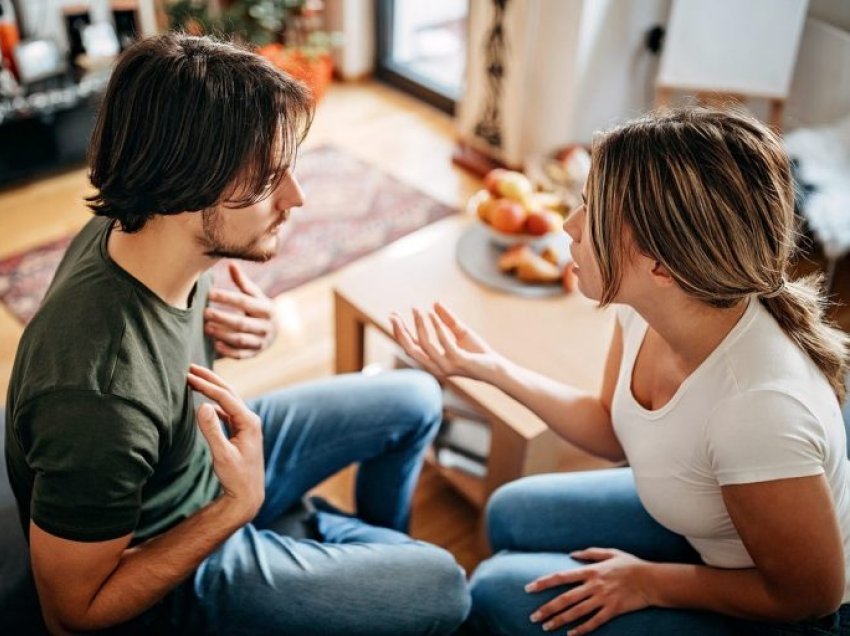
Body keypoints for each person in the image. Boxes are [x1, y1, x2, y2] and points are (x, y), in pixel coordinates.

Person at [4, 33, 470, 635]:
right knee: (446, 586)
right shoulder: (99, 399)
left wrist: (253, 329)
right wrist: (237, 508)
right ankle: (316, 542)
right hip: (169, 554)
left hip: (201, 463)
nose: (296, 197)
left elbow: (161, 346)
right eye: (269, 178)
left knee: (415, 398)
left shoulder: (133, 228)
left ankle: (341, 553)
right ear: (188, 184)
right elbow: (70, 615)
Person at [391, 108, 850, 635]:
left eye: (591, 209)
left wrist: (650, 582)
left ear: (661, 265)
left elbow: (807, 597)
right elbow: (610, 430)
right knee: (507, 512)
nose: (569, 223)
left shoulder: (759, 411)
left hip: (785, 610)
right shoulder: (648, 306)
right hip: (706, 532)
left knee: (495, 591)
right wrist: (488, 368)